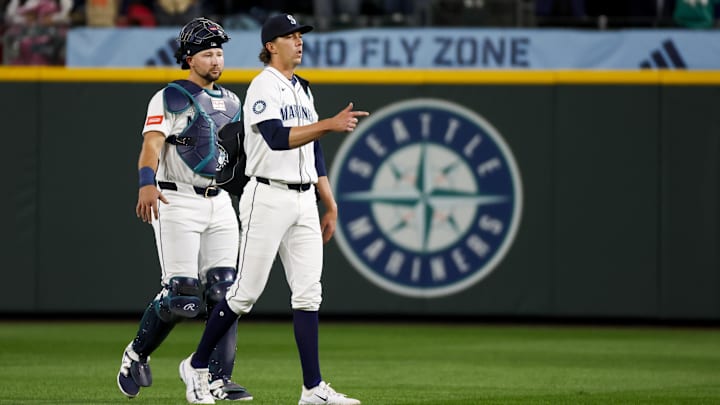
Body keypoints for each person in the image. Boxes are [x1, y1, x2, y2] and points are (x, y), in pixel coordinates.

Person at [178, 13, 369, 405]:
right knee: (245, 293)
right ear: (270, 46)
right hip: (267, 196)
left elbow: (313, 152)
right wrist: (329, 125)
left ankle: (313, 389)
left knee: (308, 294)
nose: (299, 42)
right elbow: (277, 138)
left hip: (303, 200)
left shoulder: (301, 89)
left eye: (300, 36)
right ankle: (196, 365)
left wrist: (328, 200)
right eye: (290, 36)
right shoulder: (264, 85)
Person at [116, 16, 252, 402]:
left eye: (219, 52)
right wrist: (146, 181)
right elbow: (152, 145)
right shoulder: (170, 97)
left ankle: (216, 378)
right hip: (175, 199)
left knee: (227, 293)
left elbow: (234, 157)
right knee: (183, 297)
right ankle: (136, 354)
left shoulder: (232, 101)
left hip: (219, 202)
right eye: (208, 53)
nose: (216, 60)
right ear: (189, 58)